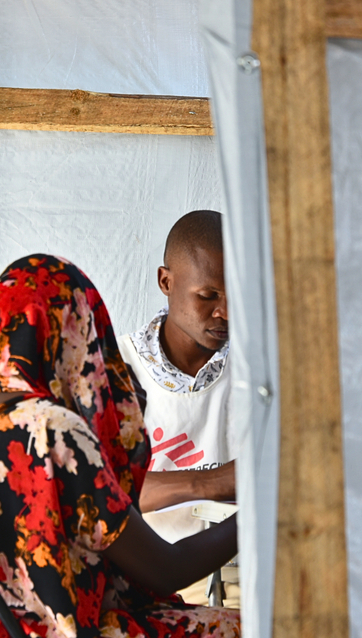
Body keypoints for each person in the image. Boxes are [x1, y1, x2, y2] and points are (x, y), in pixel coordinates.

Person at [0, 254, 240, 638]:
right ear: (72, 329)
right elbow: (167, 570)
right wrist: (259, 512)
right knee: (249, 635)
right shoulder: (49, 426)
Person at [117, 210, 239, 606]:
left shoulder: (262, 367)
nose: (225, 312)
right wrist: (214, 481)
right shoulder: (113, 370)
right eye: (208, 296)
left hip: (249, 576)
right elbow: (100, 493)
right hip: (149, 583)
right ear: (166, 282)